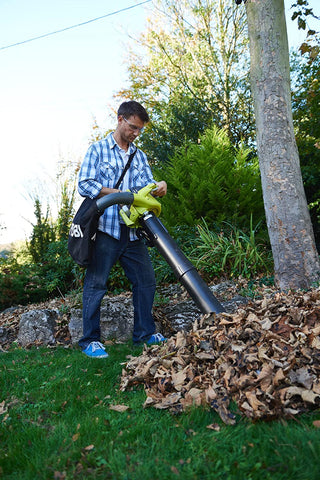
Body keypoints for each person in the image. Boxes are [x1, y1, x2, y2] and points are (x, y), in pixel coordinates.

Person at [77, 100, 167, 358]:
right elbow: (85, 184)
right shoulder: (98, 149)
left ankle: (144, 335)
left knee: (145, 282)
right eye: (132, 127)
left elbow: (145, 185)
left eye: (139, 130)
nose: (135, 133)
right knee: (96, 285)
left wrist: (159, 184)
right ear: (120, 120)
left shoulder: (139, 156)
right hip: (106, 229)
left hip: (132, 231)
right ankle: (89, 341)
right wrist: (114, 193)